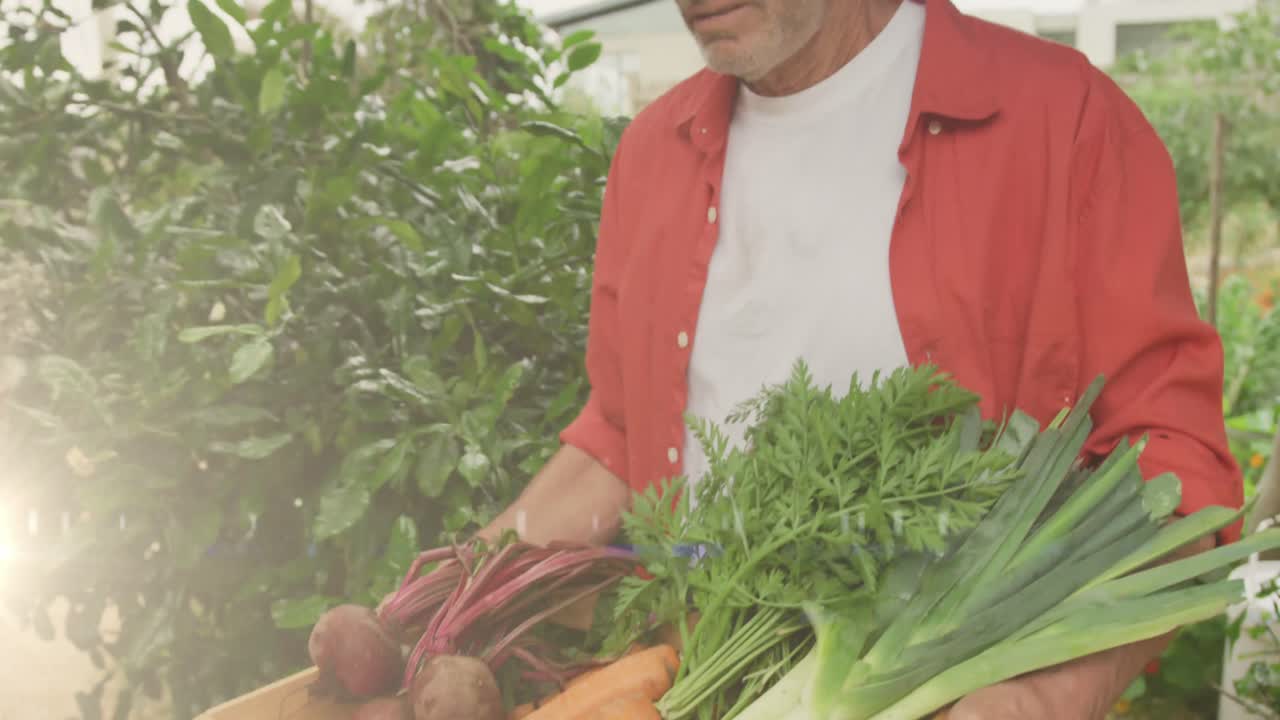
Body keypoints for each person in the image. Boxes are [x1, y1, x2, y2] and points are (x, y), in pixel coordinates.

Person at [480, 0, 1246, 716]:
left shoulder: (1063, 121)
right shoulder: (654, 152)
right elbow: (620, 437)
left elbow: (1173, 472)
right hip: (686, 684)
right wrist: (443, 607)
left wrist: (1034, 700)